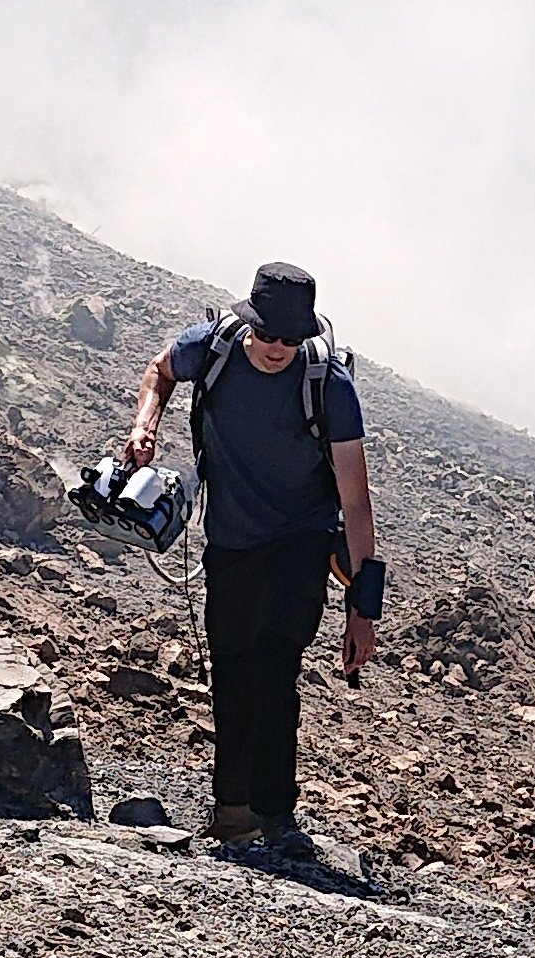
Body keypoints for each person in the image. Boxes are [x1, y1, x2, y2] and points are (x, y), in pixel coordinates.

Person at [125, 262, 379, 857]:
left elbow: (356, 500)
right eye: (269, 335)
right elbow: (160, 371)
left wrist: (362, 610)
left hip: (300, 542)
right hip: (231, 542)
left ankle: (274, 813)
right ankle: (232, 811)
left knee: (274, 669)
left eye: (292, 339)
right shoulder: (209, 349)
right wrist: (145, 424)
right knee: (233, 671)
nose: (279, 349)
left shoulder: (328, 385)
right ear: (248, 323)